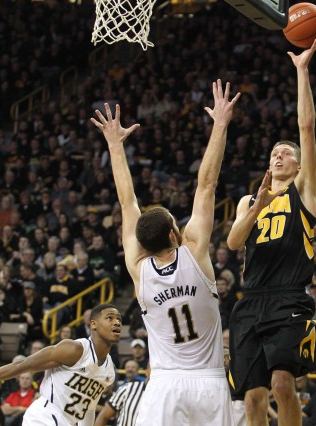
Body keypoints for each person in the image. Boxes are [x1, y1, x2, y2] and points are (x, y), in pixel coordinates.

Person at [93, 80, 240, 425]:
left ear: (141, 243)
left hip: (164, 384)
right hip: (209, 381)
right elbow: (206, 185)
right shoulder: (195, 253)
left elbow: (126, 201)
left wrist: (115, 145)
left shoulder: (137, 268)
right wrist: (220, 125)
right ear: (175, 232)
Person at [226, 37, 316, 426]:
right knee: (251, 398)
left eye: (285, 153)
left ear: (299, 166)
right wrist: (259, 207)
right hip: (250, 300)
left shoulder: (305, 191)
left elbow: (306, 126)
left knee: (283, 384)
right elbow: (234, 242)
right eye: (273, 153)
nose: (277, 155)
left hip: (288, 298)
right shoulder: (250, 201)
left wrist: (301, 72)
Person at [0, 303, 121, 425]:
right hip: (45, 416)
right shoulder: (75, 350)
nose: (117, 322)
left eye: (119, 319)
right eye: (110, 318)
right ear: (93, 324)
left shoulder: (108, 372)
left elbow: (89, 408)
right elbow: (23, 365)